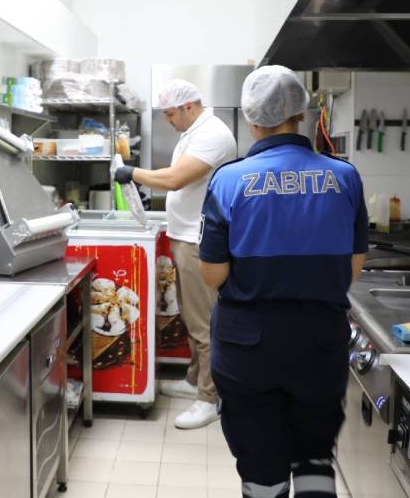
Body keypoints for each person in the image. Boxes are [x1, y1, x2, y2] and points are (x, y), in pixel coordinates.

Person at [198, 66, 368, 497]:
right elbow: (352, 269)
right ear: (301, 114)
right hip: (320, 343)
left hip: (247, 346)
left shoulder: (229, 179)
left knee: (261, 464)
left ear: (251, 118)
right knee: (315, 457)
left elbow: (213, 273)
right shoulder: (344, 176)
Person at [114, 79, 237, 429]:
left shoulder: (212, 134)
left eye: (170, 114)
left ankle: (209, 399)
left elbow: (175, 180)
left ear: (189, 107)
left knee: (205, 323)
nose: (167, 120)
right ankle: (194, 380)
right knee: (191, 317)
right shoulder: (192, 131)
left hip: (200, 241)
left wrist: (131, 173)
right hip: (186, 236)